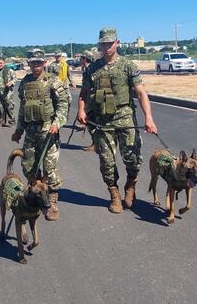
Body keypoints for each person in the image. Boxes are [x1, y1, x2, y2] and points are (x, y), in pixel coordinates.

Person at [77, 27, 158, 214]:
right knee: (106, 161)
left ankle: (130, 185)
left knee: (132, 158)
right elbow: (84, 93)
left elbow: (140, 92)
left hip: (125, 118)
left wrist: (149, 118)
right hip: (102, 122)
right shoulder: (92, 68)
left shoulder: (128, 66)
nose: (106, 47)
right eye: (103, 43)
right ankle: (114, 194)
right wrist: (81, 111)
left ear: (117, 43)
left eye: (110, 43)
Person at [11, 48, 69, 221]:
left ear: (44, 63)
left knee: (49, 169)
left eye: (39, 62)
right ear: (28, 64)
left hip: (48, 131)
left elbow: (63, 104)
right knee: (29, 167)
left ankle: (52, 204)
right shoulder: (25, 83)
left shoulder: (53, 81)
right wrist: (19, 130)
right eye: (32, 63)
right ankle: (37, 198)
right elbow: (23, 108)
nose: (35, 66)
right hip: (31, 132)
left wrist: (57, 123)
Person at [79, 50, 97, 152]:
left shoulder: (92, 69)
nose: (80, 60)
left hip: (93, 100)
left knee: (92, 122)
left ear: (85, 59)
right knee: (90, 122)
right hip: (88, 99)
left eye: (81, 58)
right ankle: (96, 142)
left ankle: (96, 143)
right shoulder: (85, 69)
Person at [0, 57, 16, 127]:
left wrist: (11, 82)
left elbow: (15, 78)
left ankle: (12, 121)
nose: (0, 64)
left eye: (1, 63)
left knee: (9, 107)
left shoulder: (10, 71)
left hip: (7, 91)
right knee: (0, 107)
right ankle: (2, 121)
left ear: (4, 63)